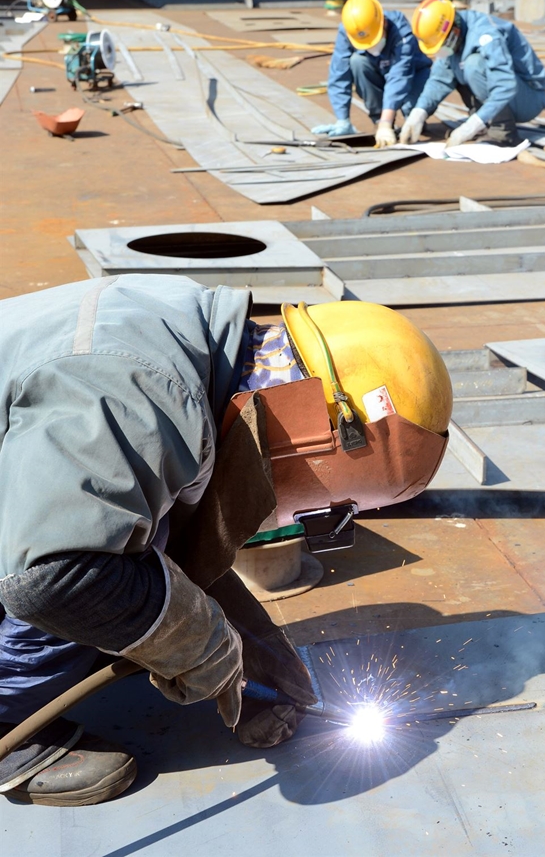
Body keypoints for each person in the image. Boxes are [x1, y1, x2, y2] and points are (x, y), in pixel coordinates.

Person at [0, 275, 452, 806]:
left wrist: (246, 646)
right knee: (90, 584)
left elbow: (142, 519)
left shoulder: (197, 343)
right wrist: (201, 646)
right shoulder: (146, 388)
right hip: (45, 567)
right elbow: (59, 576)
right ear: (319, 432)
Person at [400, 0, 545, 148]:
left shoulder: (486, 35)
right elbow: (439, 79)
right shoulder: (455, 36)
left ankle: (502, 132)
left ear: (454, 30)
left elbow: (506, 85)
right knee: (456, 64)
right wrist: (419, 112)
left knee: (473, 65)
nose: (442, 50)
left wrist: (473, 124)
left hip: (528, 98)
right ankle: (484, 124)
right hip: (509, 96)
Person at [311, 0, 432, 148]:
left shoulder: (400, 29)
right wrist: (342, 119)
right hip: (377, 71)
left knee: (412, 110)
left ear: (384, 23)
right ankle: (378, 120)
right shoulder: (349, 30)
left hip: (413, 75)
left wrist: (386, 122)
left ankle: (411, 120)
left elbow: (399, 76)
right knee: (357, 61)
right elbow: (339, 73)